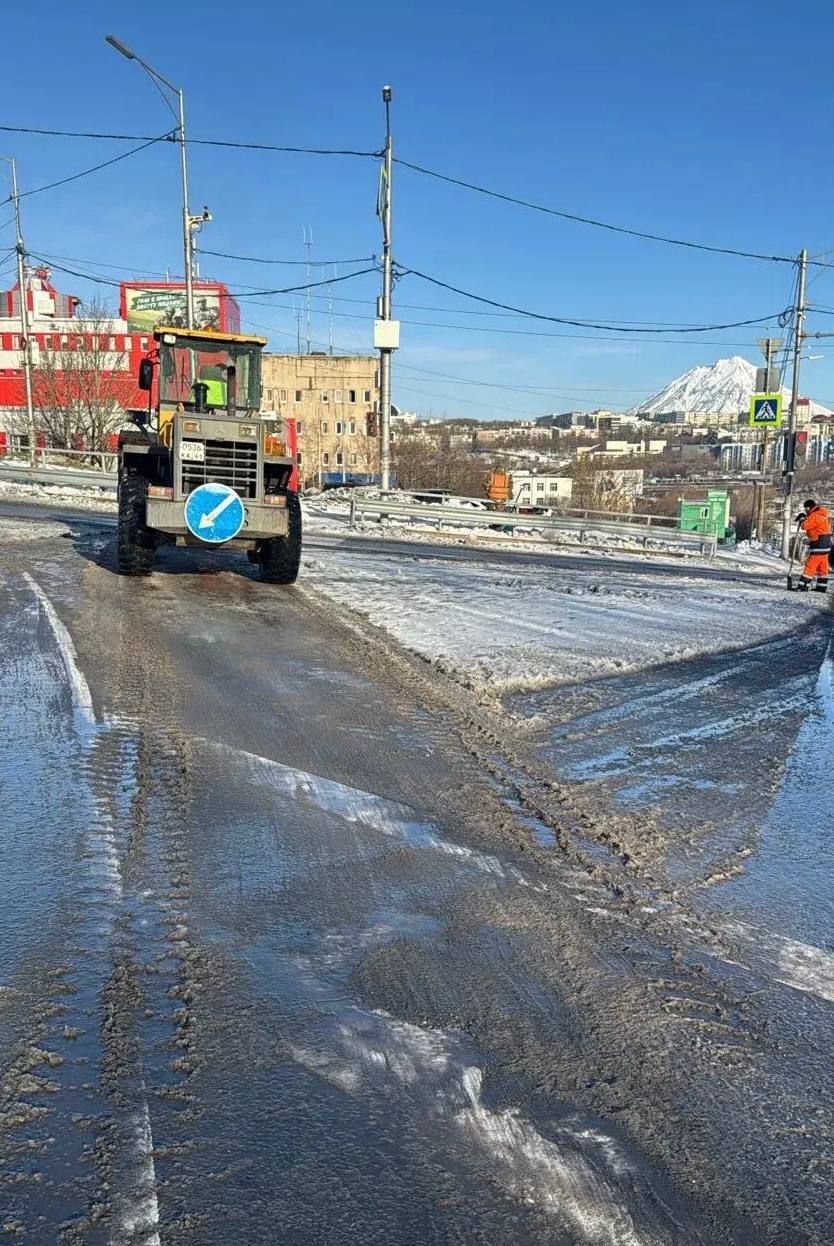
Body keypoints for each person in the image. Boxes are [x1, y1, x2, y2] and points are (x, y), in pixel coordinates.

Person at [792, 498, 831, 592]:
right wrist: (805, 517)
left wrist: (802, 520)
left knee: (811, 565)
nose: (805, 510)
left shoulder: (815, 515)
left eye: (806, 509)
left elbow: (805, 526)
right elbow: (811, 523)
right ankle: (822, 587)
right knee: (822, 566)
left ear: (809, 507)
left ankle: (802, 586)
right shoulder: (820, 513)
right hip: (825, 544)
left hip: (819, 544)